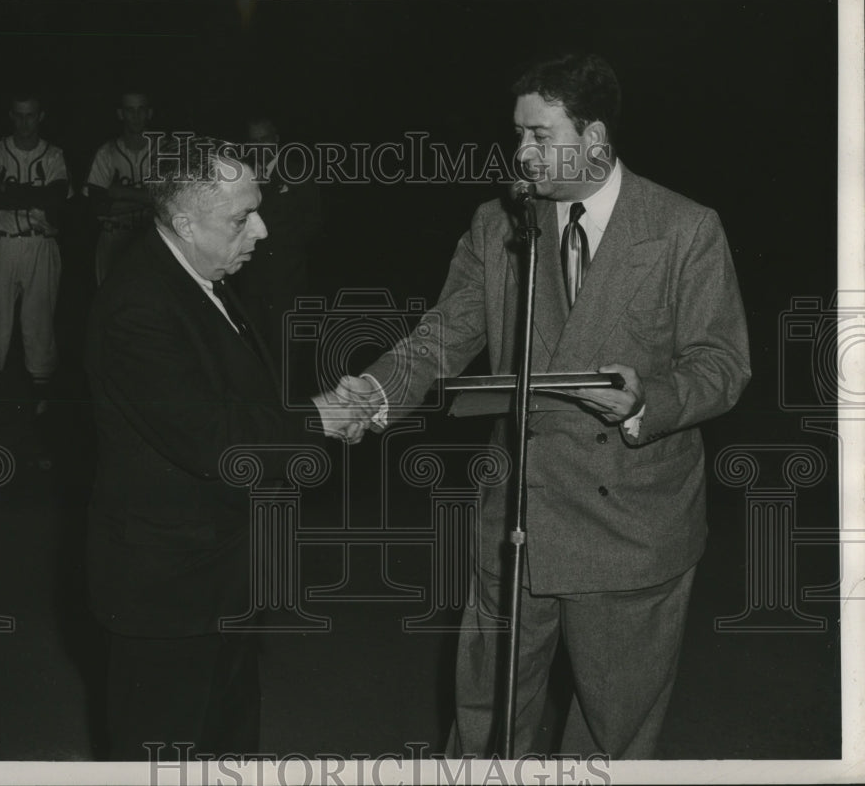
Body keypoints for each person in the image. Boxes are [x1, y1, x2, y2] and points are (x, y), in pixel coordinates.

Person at [343, 52, 751, 758]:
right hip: (517, 520)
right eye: (517, 135)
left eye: (538, 134)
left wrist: (648, 398)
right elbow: (445, 333)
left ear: (593, 138)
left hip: (630, 529)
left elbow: (722, 363)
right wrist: (374, 391)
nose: (521, 152)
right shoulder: (498, 224)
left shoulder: (684, 229)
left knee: (610, 735)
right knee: (485, 717)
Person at [84, 136, 366, 760]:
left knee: (226, 748)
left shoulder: (198, 273)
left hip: (221, 579)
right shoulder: (140, 306)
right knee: (165, 757)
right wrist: (318, 418)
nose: (262, 230)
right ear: (184, 223)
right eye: (242, 217)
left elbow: (241, 402)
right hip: (168, 595)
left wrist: (314, 415)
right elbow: (214, 439)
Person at [0, 90, 69, 424]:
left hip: (40, 244)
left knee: (40, 319)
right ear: (11, 116)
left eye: (31, 115)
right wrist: (33, 197)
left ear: (40, 116)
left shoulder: (54, 154)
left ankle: (42, 398)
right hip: (1, 242)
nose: (24, 121)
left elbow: (57, 200)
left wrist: (7, 191)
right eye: (18, 114)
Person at [233, 115, 323, 372]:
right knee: (252, 345)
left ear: (276, 139)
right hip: (250, 275)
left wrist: (284, 246)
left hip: (286, 277)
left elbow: (313, 221)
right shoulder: (242, 174)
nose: (260, 147)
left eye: (264, 139)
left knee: (284, 348)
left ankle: (283, 405)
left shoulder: (297, 172)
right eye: (254, 141)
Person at [84, 89, 155, 284]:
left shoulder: (165, 151)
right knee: (113, 308)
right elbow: (98, 207)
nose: (136, 116)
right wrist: (148, 199)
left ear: (149, 113)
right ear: (120, 114)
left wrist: (121, 193)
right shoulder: (106, 153)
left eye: (141, 109)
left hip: (153, 237)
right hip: (114, 236)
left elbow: (170, 199)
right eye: (130, 110)